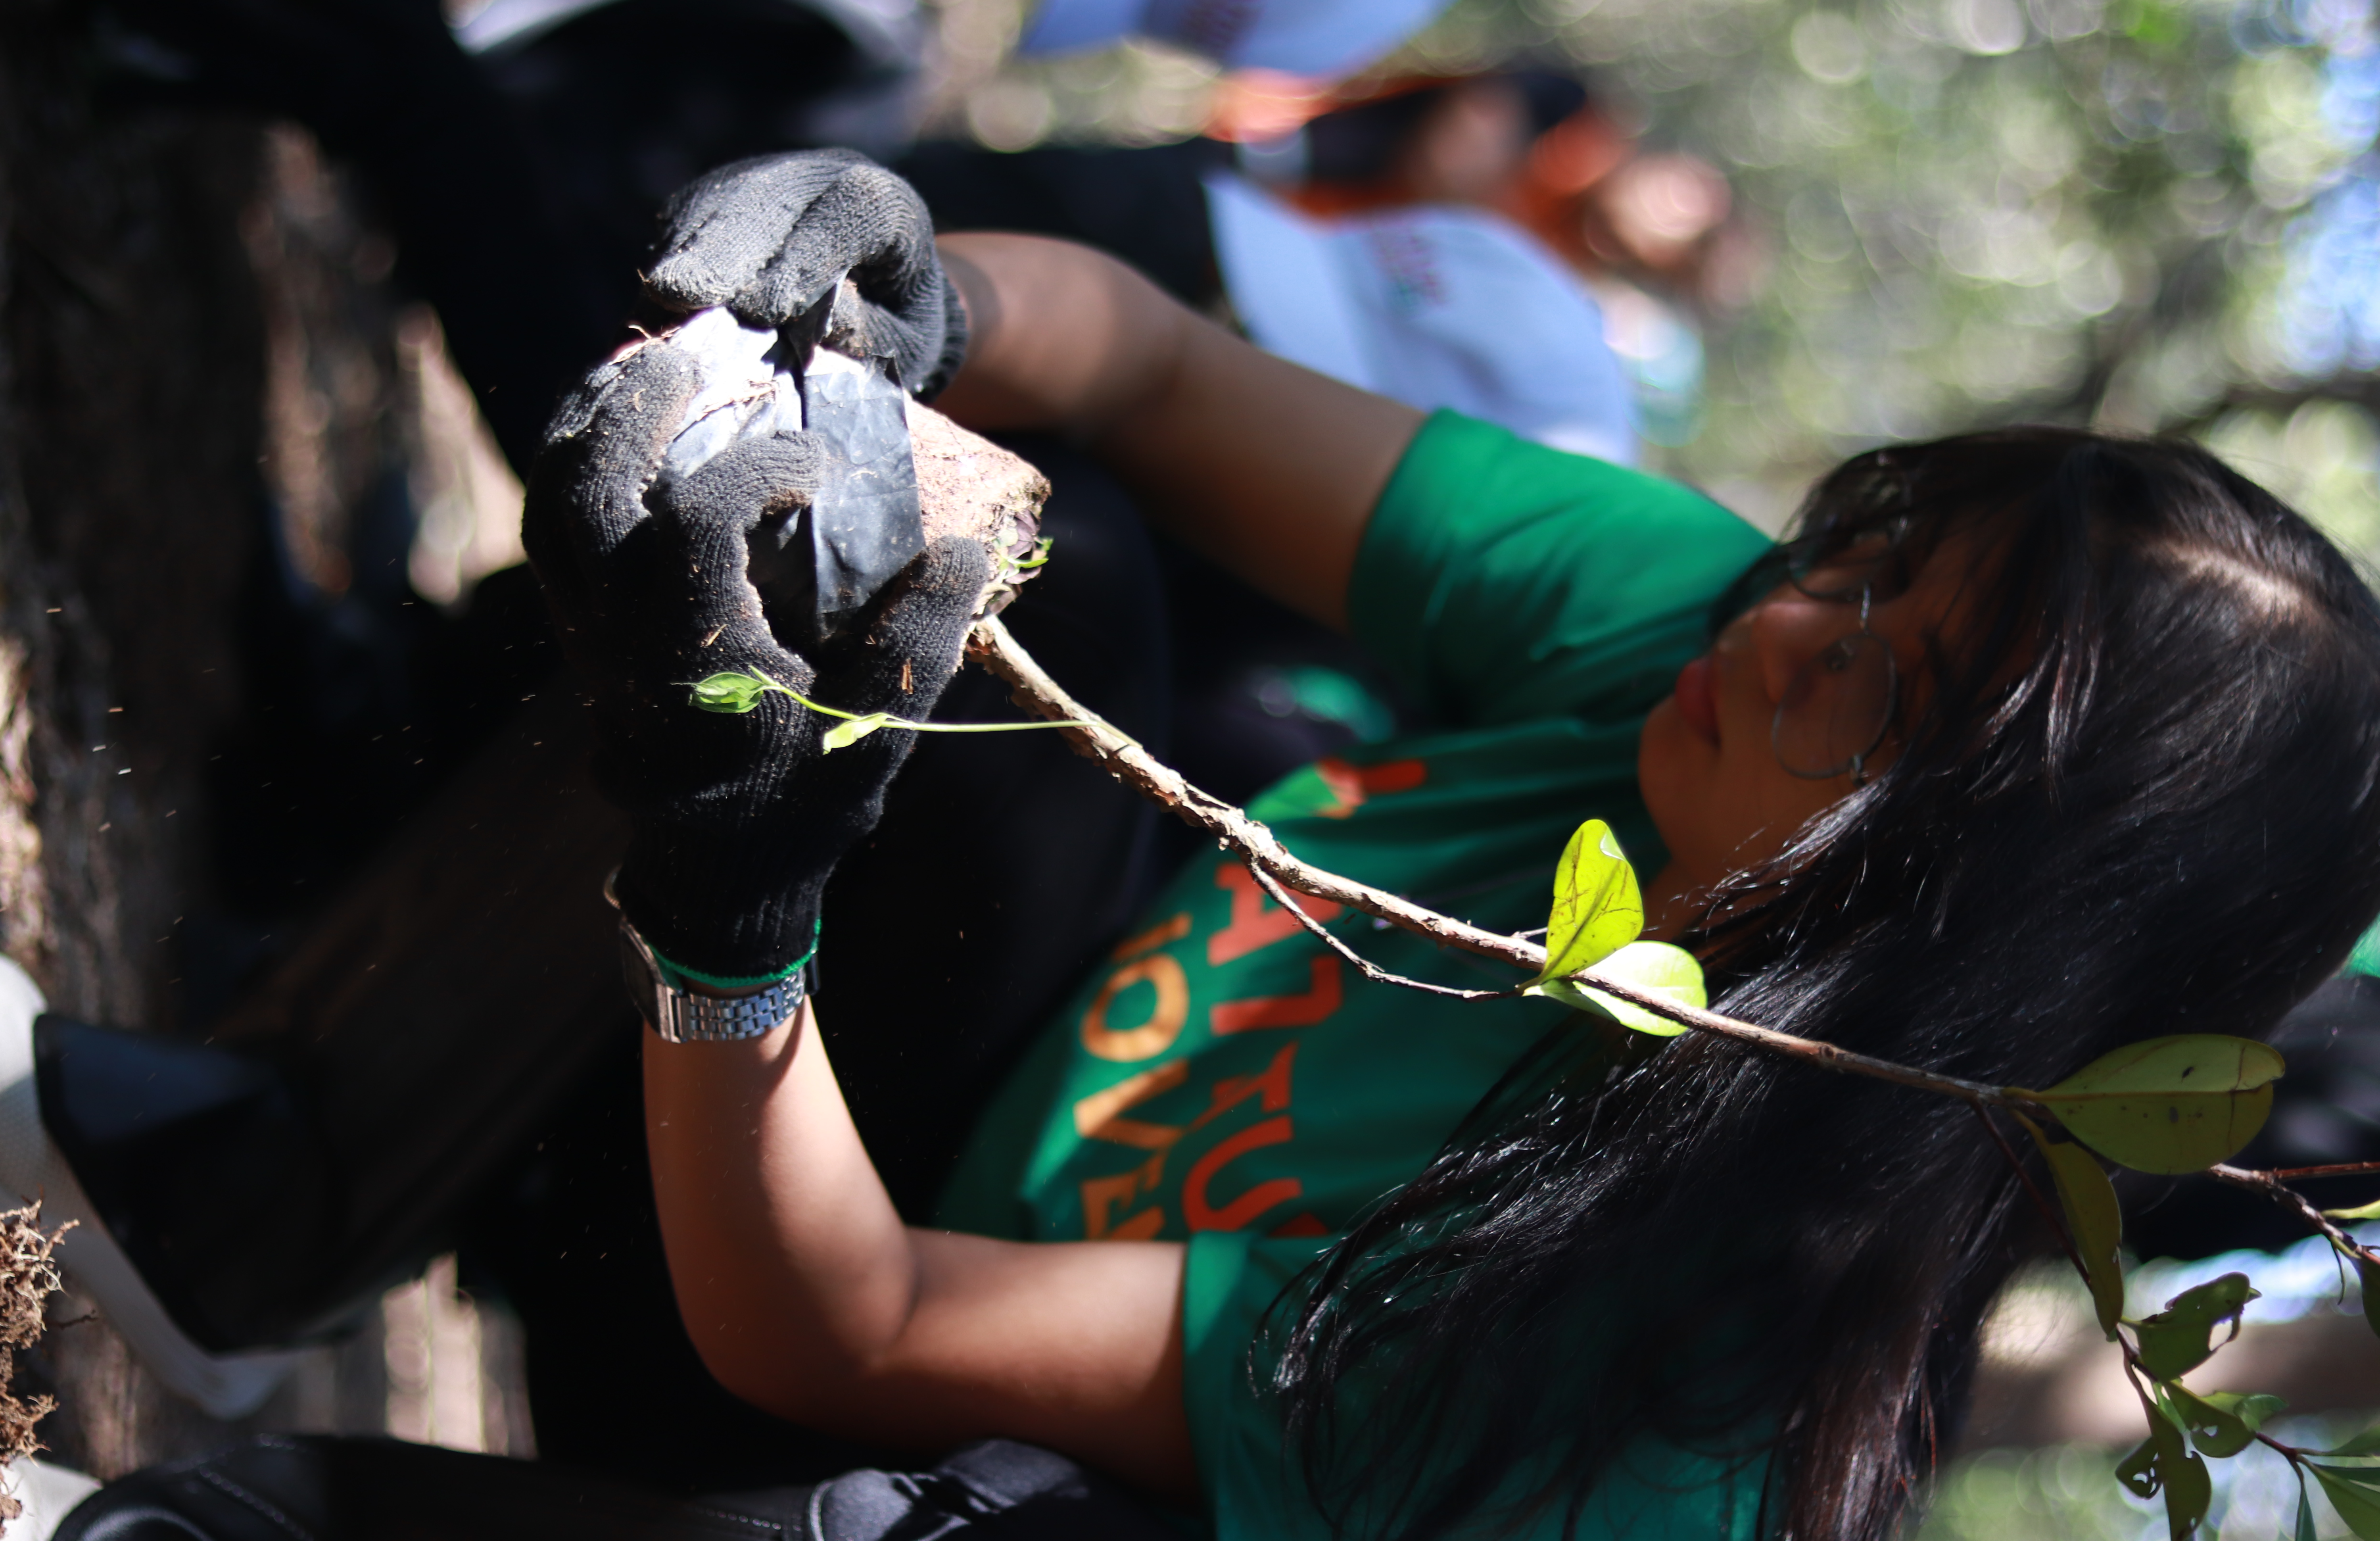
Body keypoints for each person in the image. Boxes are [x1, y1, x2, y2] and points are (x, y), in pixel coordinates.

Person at [28, 148, 2380, 1541]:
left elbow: (849, 1333)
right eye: (1858, 567)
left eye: (1888, 688)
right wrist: (901, 293)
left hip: (800, 1387)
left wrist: (731, 907)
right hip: (781, 1146)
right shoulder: (1691, 633)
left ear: (1965, 953)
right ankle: (263, 1187)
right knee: (1035, 583)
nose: (1794, 631)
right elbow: (1137, 362)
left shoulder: (1636, 1364)